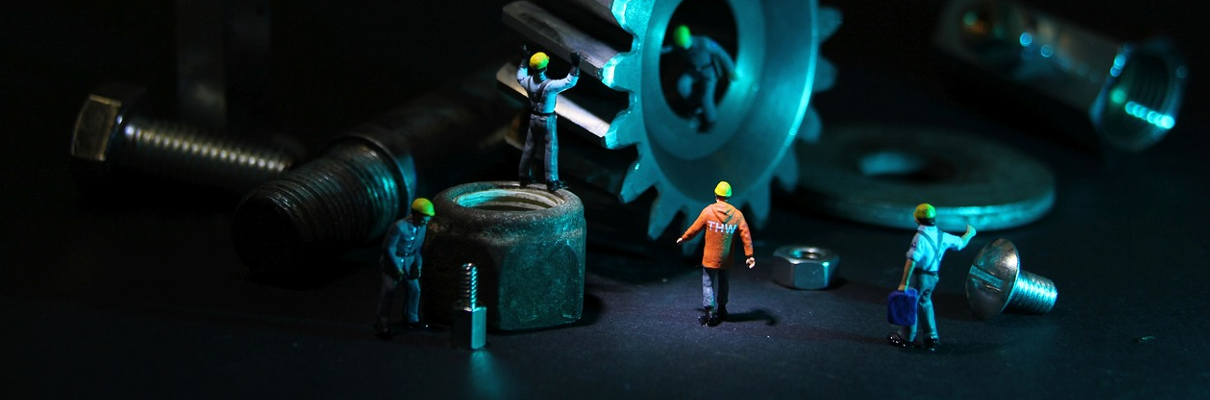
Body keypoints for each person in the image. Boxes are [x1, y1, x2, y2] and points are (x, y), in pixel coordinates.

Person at [887, 203, 976, 351]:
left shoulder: (919, 238)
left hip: (920, 276)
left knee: (911, 304)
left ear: (916, 219)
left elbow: (912, 260)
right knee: (926, 303)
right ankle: (932, 336)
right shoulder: (942, 235)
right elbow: (960, 243)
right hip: (933, 278)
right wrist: (970, 233)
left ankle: (906, 337)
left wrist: (904, 282)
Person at [677, 181, 755, 326]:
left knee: (708, 283)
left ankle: (709, 312)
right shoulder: (737, 215)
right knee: (724, 283)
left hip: (710, 257)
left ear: (715, 195)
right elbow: (746, 235)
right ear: (729, 196)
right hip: (726, 258)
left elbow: (695, 228)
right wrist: (749, 255)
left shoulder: (708, 211)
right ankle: (722, 309)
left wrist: (685, 238)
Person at [517, 45, 581, 192]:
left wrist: (524, 59)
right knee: (550, 149)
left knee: (529, 147)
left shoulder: (527, 81)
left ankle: (523, 176)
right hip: (547, 120)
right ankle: (551, 181)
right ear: (545, 68)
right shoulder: (551, 86)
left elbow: (520, 75)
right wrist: (575, 66)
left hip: (533, 118)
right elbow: (570, 82)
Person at [374, 198, 435, 339]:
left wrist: (417, 265)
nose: (426, 222)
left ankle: (411, 319)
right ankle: (382, 324)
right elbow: (388, 248)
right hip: (392, 262)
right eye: (424, 219)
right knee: (389, 291)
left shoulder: (423, 228)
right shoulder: (399, 227)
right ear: (416, 215)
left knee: (415, 289)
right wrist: (396, 267)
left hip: (409, 262)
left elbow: (418, 249)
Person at [661, 24, 737, 132]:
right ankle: (696, 106)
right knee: (682, 85)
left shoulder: (704, 43)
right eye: (681, 45)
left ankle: (711, 121)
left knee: (706, 98)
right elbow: (669, 48)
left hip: (709, 72)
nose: (684, 47)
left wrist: (731, 71)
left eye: (685, 43)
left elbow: (722, 54)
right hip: (694, 70)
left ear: (689, 37)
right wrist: (655, 49)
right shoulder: (679, 44)